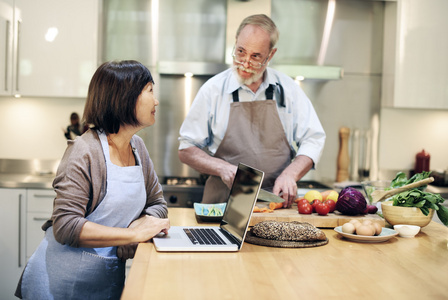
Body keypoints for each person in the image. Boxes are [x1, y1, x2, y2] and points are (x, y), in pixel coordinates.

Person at [15, 60, 170, 300]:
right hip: (58, 283)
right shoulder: (84, 150)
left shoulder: (138, 147)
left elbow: (158, 205)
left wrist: (136, 225)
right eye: (150, 90)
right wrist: (131, 235)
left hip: (105, 280)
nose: (156, 100)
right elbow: (65, 226)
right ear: (125, 97)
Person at [178, 14, 326, 207]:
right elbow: (186, 148)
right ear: (235, 43)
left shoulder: (288, 90)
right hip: (223, 205)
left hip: (275, 205)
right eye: (240, 52)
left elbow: (313, 138)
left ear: (270, 55)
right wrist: (222, 168)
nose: (245, 63)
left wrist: (291, 174)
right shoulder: (212, 90)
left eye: (256, 56)